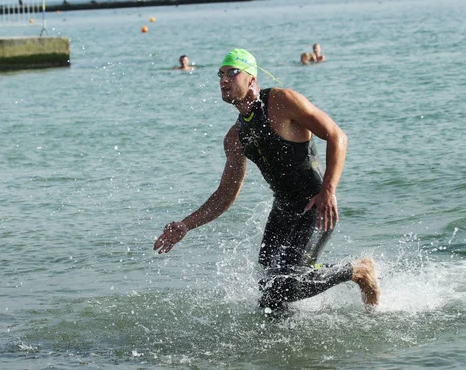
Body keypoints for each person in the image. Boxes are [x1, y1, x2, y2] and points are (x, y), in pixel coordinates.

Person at [154, 48, 379, 317]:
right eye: (220, 74)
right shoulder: (235, 137)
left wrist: (328, 190)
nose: (224, 80)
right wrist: (186, 225)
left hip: (314, 205)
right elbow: (226, 194)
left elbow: (337, 136)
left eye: (232, 73)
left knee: (285, 287)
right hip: (282, 212)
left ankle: (359, 270)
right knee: (270, 299)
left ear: (251, 78)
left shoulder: (282, 101)